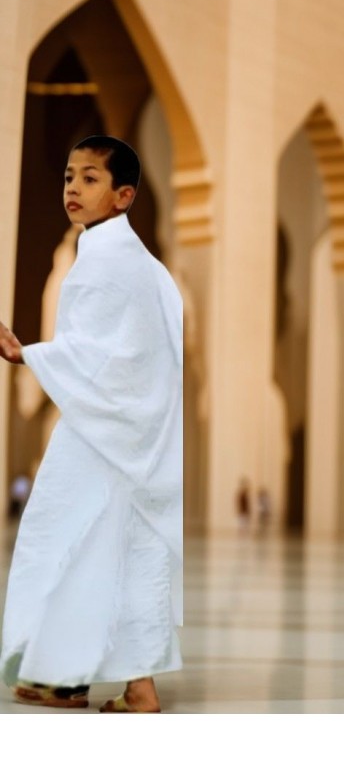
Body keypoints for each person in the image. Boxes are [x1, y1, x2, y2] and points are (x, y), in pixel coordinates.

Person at [0, 135, 183, 713]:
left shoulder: (105, 265)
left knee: (64, 542)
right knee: (126, 552)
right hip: (140, 439)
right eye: (69, 176)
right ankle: (135, 686)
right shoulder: (142, 266)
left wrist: (29, 354)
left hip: (103, 436)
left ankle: (68, 675)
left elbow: (97, 356)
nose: (73, 188)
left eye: (90, 179)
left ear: (123, 196)